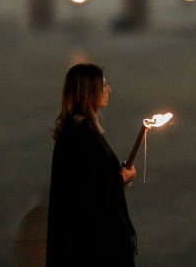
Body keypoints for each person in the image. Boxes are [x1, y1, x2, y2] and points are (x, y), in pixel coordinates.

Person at [46, 63, 137, 266]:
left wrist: (117, 176)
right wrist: (122, 177)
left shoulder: (80, 131)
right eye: (103, 85)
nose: (108, 89)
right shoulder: (80, 135)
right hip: (90, 246)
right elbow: (87, 189)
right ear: (89, 92)